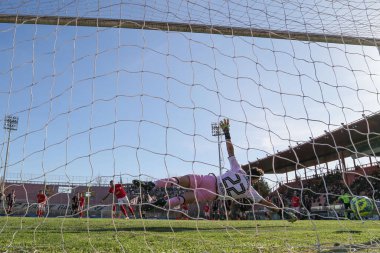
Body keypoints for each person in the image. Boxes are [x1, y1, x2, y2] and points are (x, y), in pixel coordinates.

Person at [133, 118, 297, 222]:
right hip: (213, 194)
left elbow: (230, 151)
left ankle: (152, 184)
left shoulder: (239, 170)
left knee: (178, 180)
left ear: (249, 172)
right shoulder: (249, 190)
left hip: (209, 180)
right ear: (255, 179)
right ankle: (161, 204)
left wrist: (227, 132)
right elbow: (265, 202)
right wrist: (281, 212)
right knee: (183, 199)